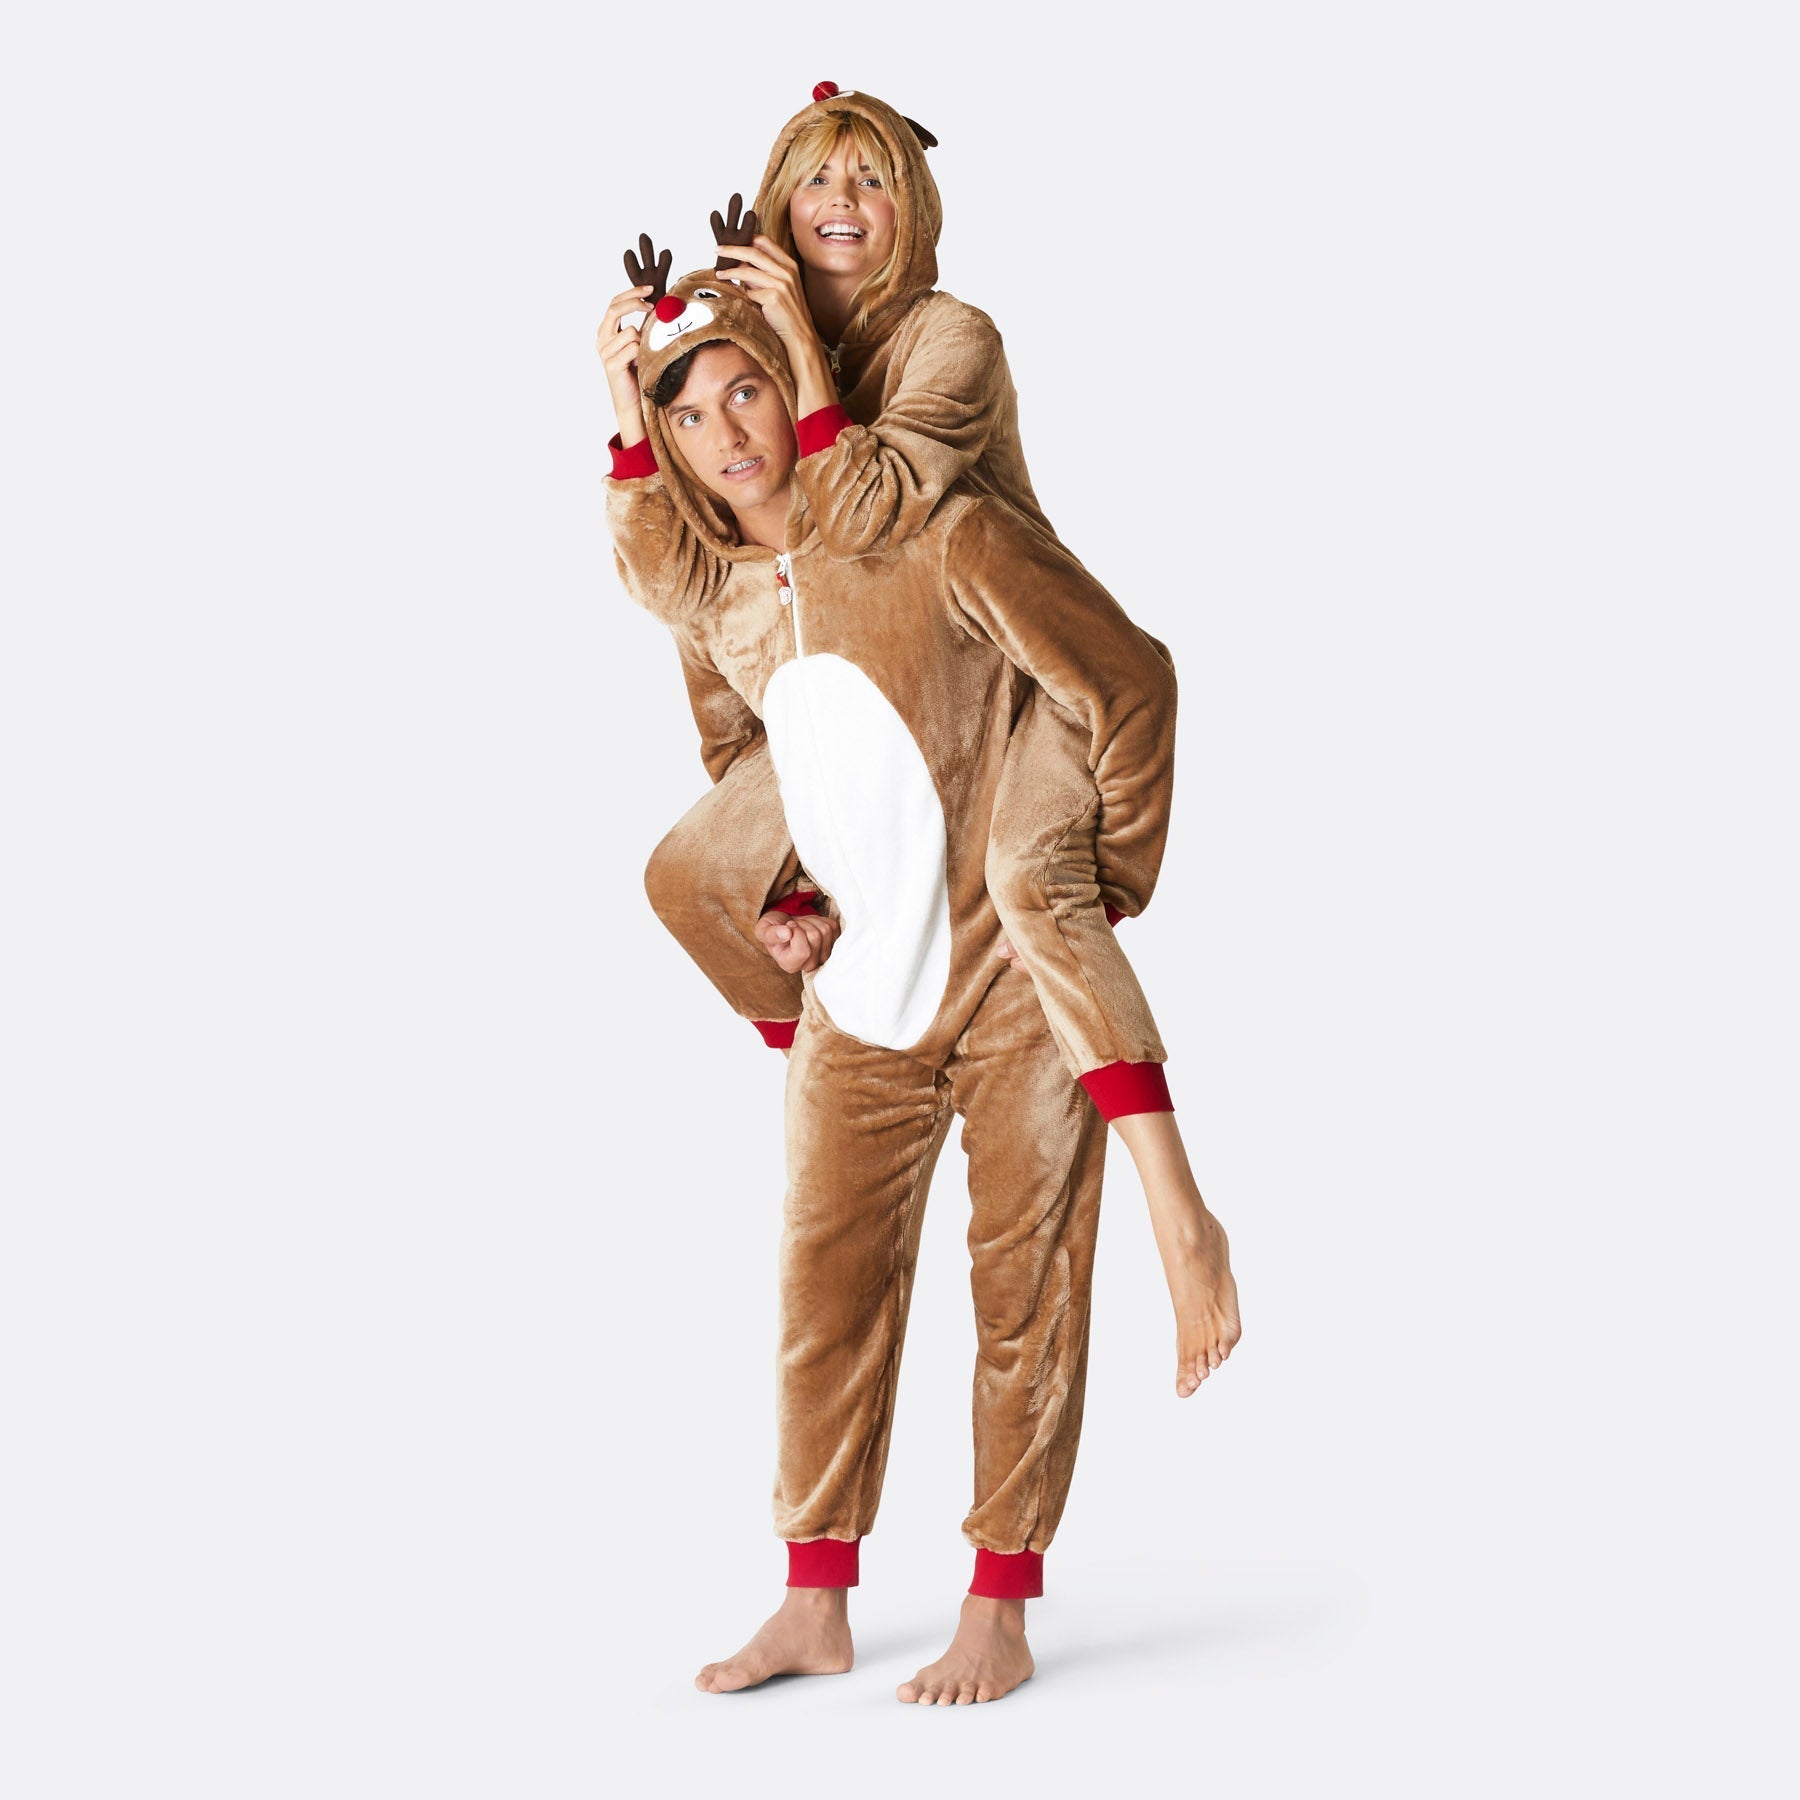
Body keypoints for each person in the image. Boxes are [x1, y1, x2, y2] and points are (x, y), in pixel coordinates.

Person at [605, 266, 1236, 1704]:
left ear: (795, 384)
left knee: (1025, 1296)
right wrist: (791, 908)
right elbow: (748, 767)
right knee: (821, 1294)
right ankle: (814, 1602)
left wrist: (1101, 882)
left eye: (746, 391)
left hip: (1005, 979)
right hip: (861, 993)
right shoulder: (714, 605)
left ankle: (999, 1608)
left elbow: (1132, 677)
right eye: (688, 417)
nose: (726, 434)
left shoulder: (941, 529)